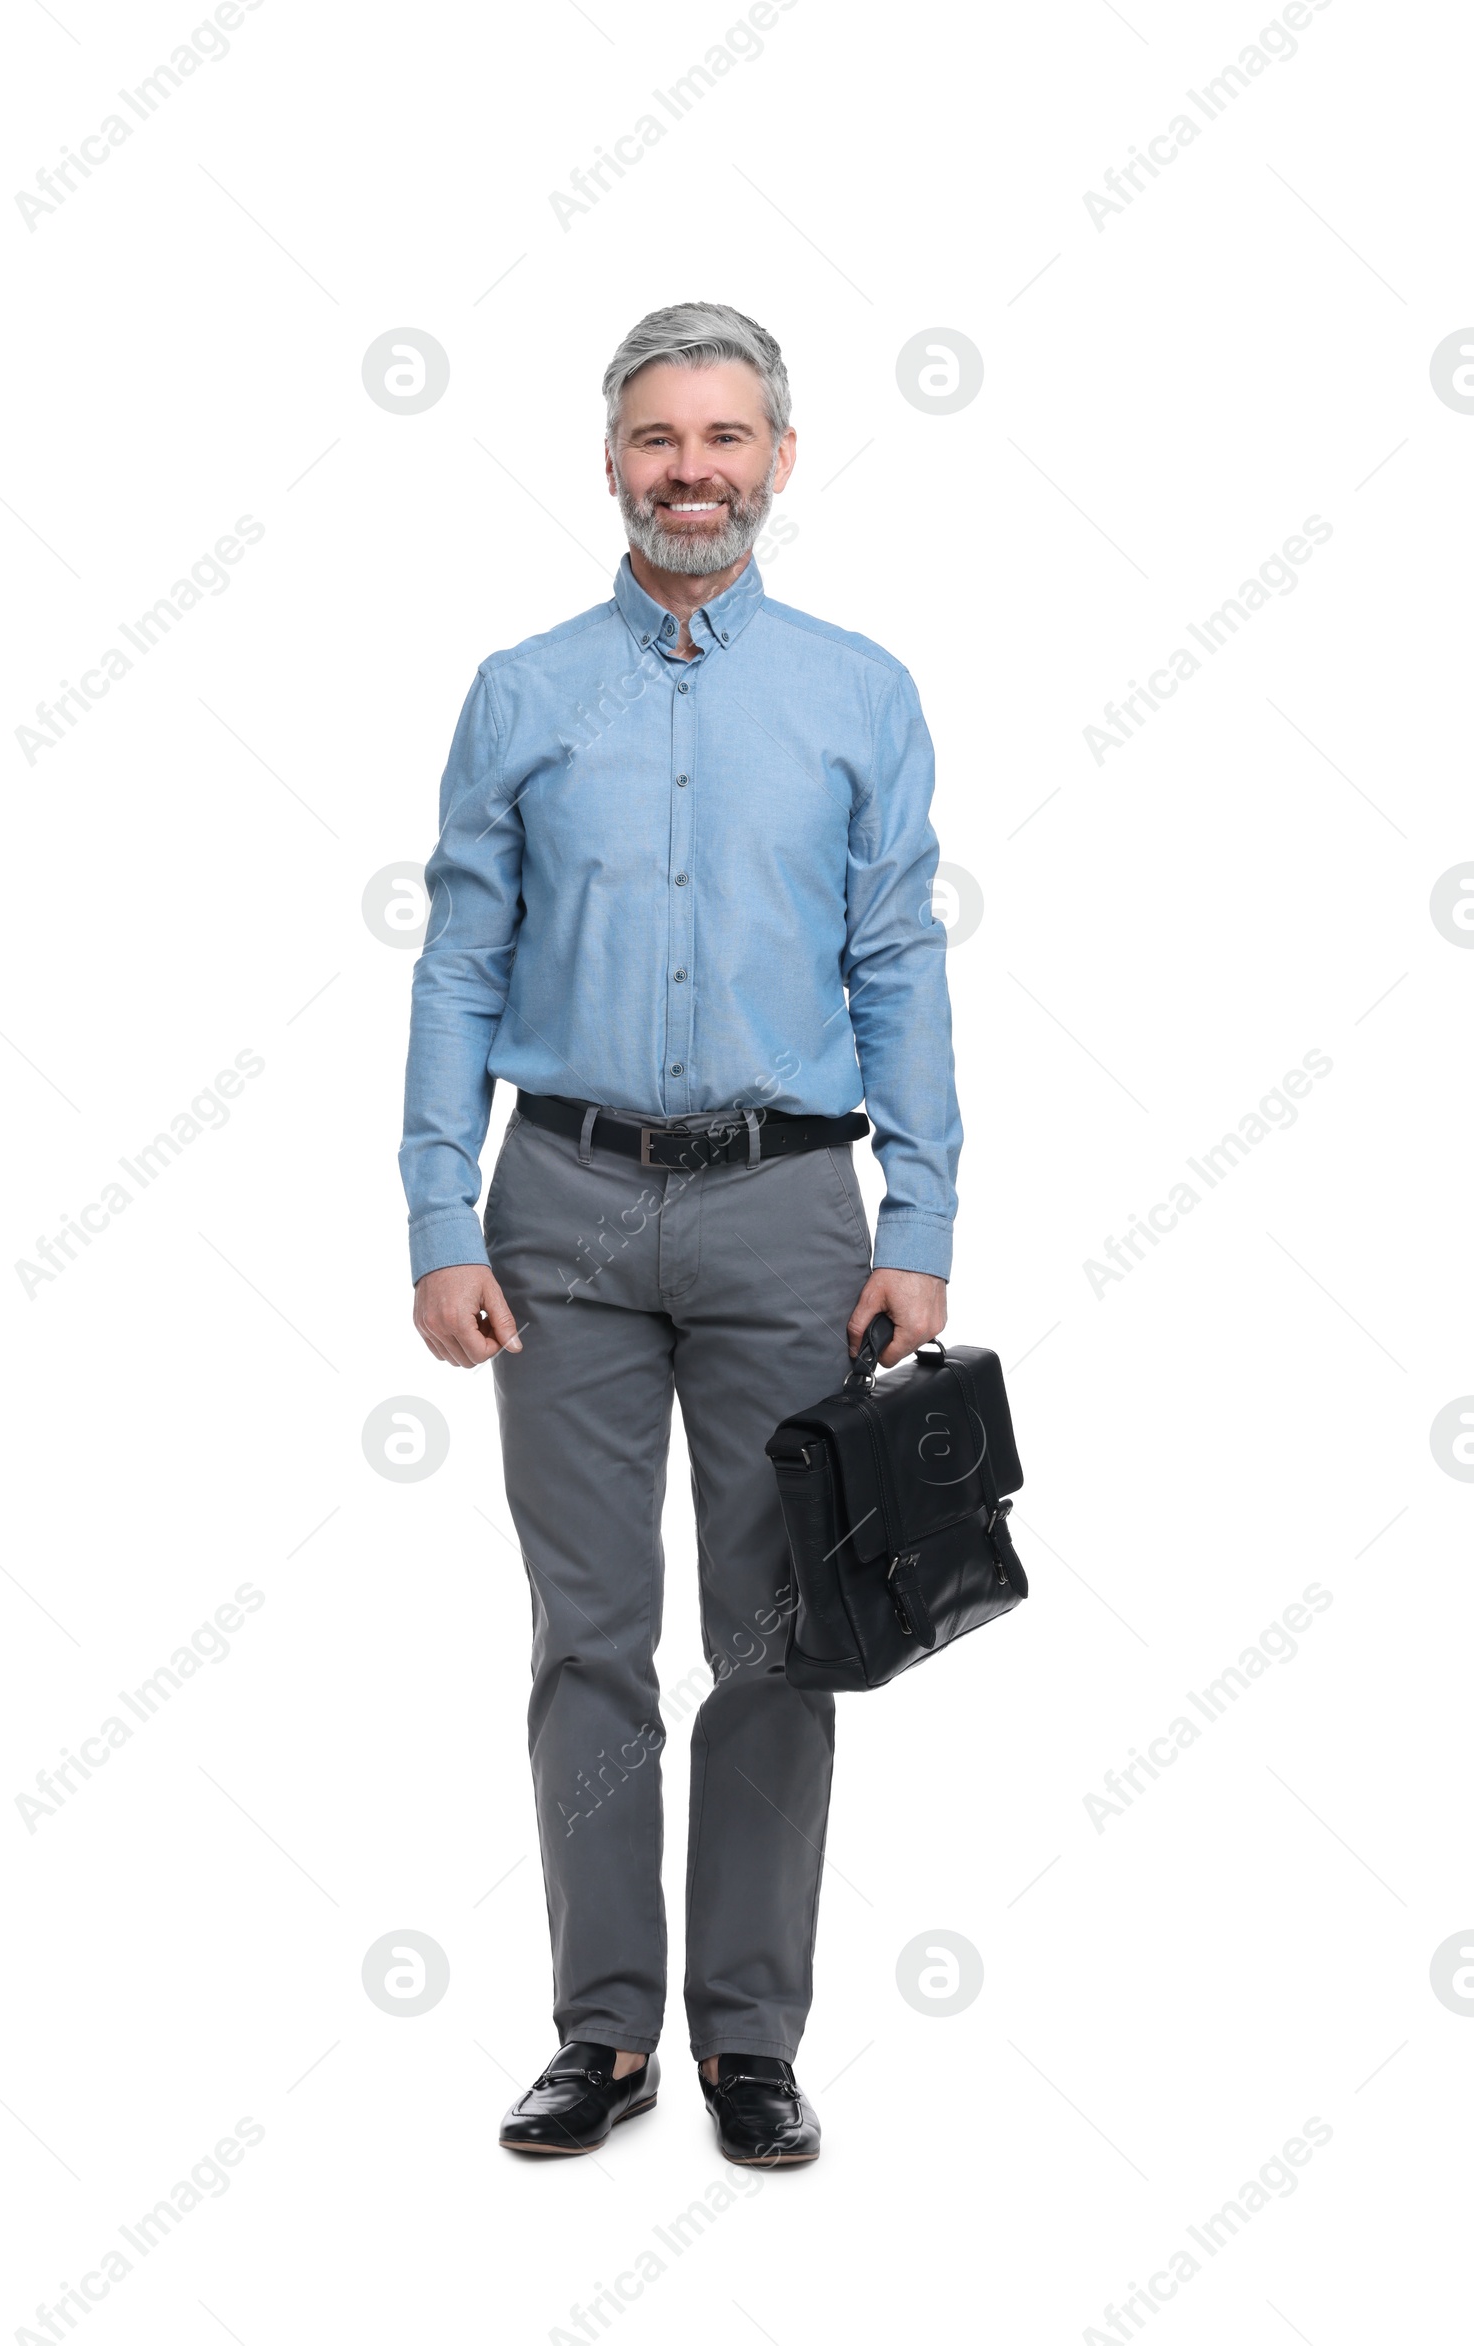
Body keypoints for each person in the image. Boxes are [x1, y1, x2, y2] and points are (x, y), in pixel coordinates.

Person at [399, 302, 960, 2165]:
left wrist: (922, 1213)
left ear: (782, 459)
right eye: (660, 437)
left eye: (728, 435)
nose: (693, 469)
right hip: (551, 1212)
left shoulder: (863, 692)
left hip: (791, 1211)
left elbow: (899, 960)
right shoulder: (520, 690)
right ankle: (606, 2033)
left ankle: (748, 2038)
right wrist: (433, 1212)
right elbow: (460, 963)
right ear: (613, 458)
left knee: (783, 1632)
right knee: (588, 1639)